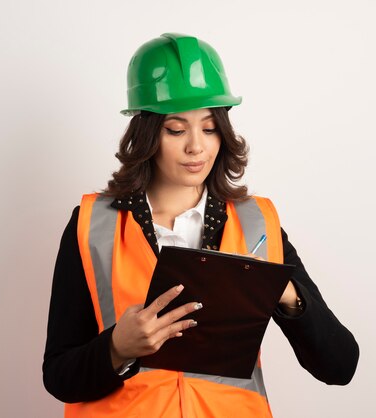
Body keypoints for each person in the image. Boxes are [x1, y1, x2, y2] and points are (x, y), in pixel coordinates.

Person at [43, 33, 359, 417]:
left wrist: (287, 294)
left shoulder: (258, 227)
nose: (197, 146)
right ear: (146, 135)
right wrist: (116, 348)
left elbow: (340, 366)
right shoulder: (94, 226)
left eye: (209, 128)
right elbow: (59, 376)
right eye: (176, 130)